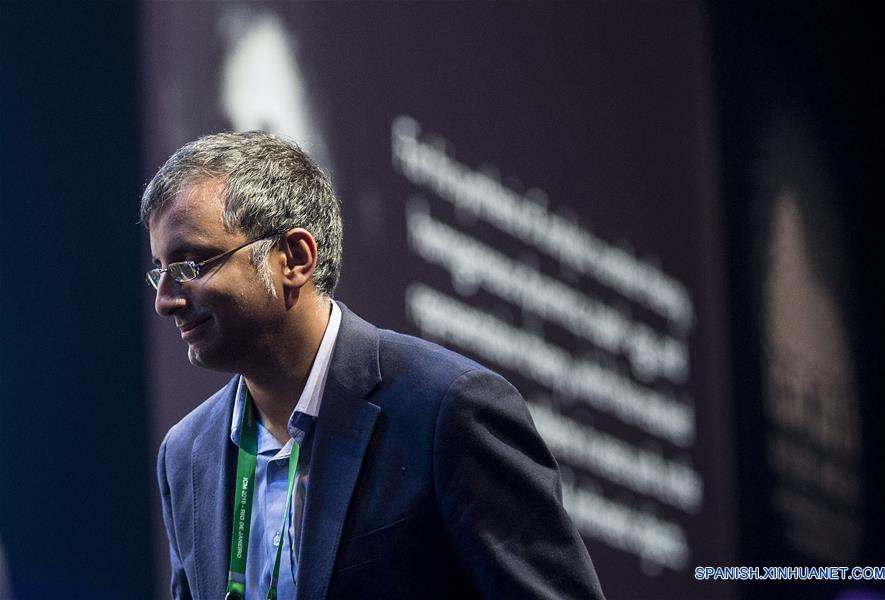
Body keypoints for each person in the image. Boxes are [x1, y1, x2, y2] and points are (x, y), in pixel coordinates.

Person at [143, 131, 604, 600]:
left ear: (295, 259)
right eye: (159, 270)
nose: (165, 300)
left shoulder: (448, 410)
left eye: (190, 264)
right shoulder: (185, 455)